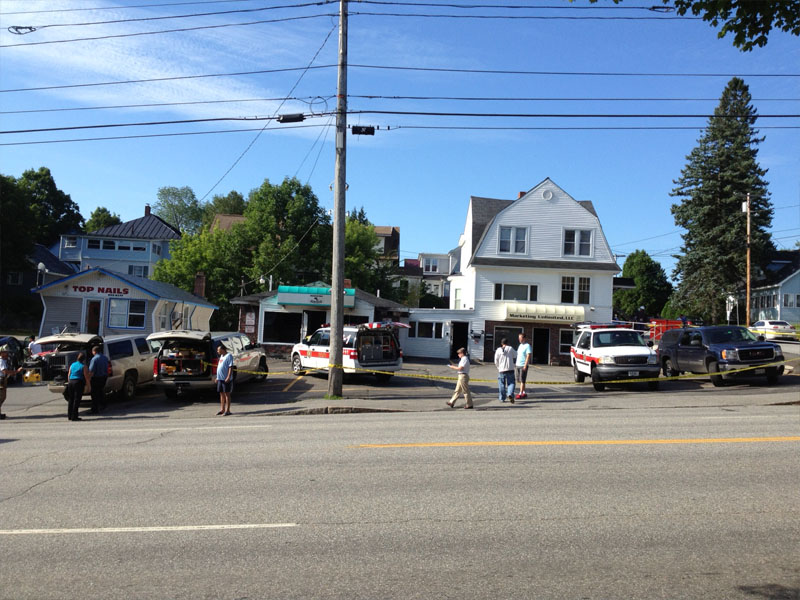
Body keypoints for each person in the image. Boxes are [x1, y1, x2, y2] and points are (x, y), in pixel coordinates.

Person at [66, 352, 91, 422]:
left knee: (71, 399)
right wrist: (89, 386)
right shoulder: (83, 366)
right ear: (84, 359)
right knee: (77, 400)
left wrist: (69, 382)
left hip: (71, 381)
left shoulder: (72, 364)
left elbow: (69, 374)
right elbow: (86, 377)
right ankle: (75, 416)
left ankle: (69, 415)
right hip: (78, 382)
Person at [0, 345, 23, 420]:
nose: (7, 354)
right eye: (5, 352)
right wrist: (16, 372)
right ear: (1, 353)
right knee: (1, 397)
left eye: (7, 352)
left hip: (3, 379)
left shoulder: (4, 360)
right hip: (1, 380)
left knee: (3, 397)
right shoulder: (1, 361)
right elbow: (4, 371)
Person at [494, 338, 516, 403]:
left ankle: (502, 398)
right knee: (511, 383)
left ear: (501, 343)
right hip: (510, 369)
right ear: (508, 343)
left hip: (501, 370)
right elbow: (515, 355)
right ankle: (510, 394)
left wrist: (498, 367)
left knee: (501, 384)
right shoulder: (510, 348)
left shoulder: (498, 350)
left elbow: (496, 361)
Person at [88, 345, 109, 414]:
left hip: (96, 378)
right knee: (100, 391)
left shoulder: (94, 359)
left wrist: (88, 379)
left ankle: (94, 409)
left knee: (94, 394)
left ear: (94, 351)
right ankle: (103, 405)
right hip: (104, 377)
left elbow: (91, 371)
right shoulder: (105, 358)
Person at [216, 343, 234, 416]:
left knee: (227, 394)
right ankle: (222, 409)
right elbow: (220, 367)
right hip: (220, 378)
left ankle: (228, 410)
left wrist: (228, 377)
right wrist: (217, 377)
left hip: (226, 379)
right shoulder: (221, 356)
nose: (217, 351)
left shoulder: (229, 356)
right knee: (221, 394)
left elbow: (230, 367)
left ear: (223, 350)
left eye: (218, 350)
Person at [515, 332, 532, 400]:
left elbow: (528, 355)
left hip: (523, 365)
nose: (519, 339)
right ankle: (523, 392)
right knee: (519, 380)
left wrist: (525, 365)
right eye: (518, 338)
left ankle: (520, 393)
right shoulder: (520, 345)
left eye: (520, 338)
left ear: (524, 338)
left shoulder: (527, 346)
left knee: (522, 380)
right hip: (517, 364)